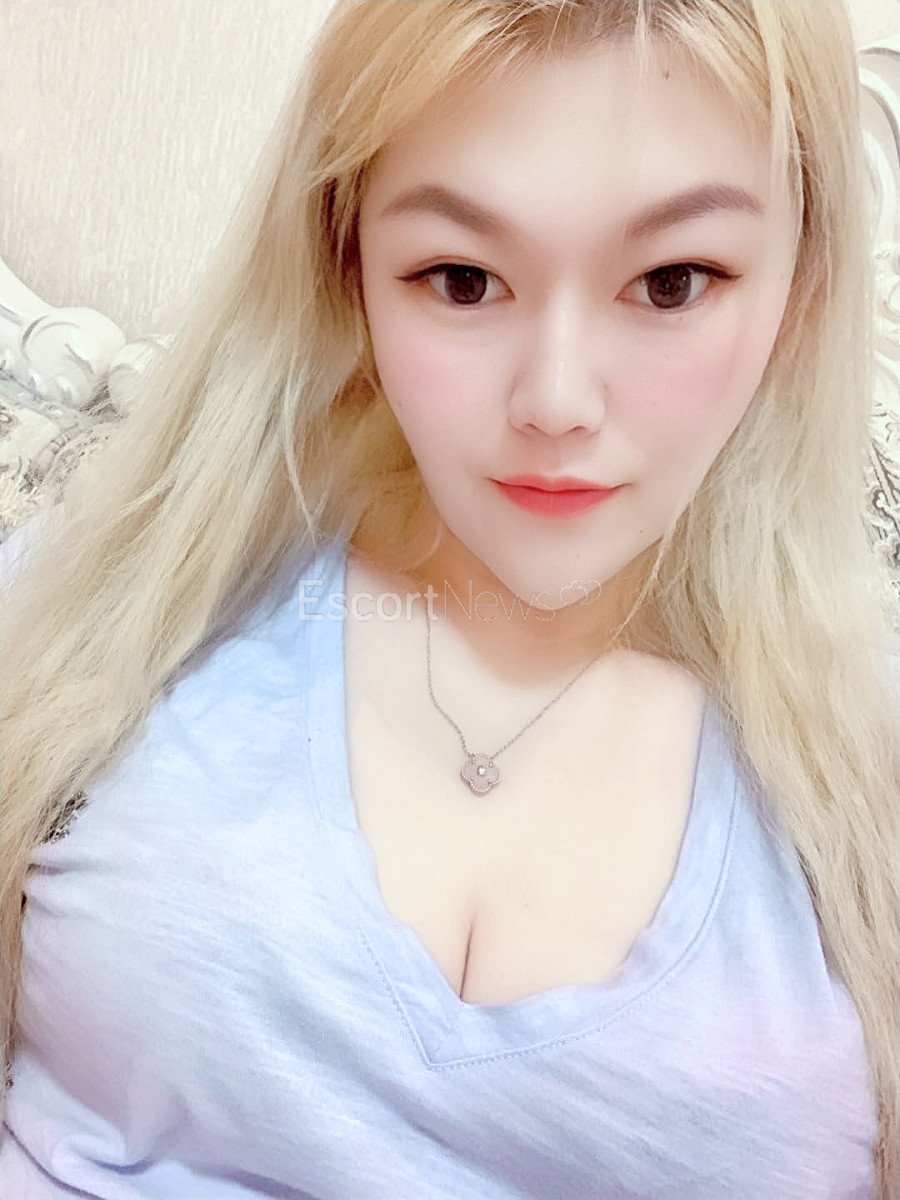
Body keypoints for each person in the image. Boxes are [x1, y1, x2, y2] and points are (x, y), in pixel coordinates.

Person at [1, 0, 898, 1196]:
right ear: (349, 270)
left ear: (802, 287)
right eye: (463, 279)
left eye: (673, 282)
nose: (558, 401)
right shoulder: (108, 609)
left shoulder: (866, 777)